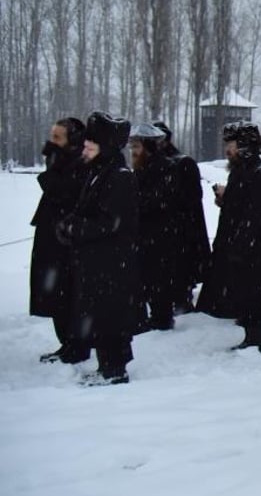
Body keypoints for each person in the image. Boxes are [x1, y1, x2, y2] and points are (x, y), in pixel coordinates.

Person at [56, 112, 139, 385]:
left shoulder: (119, 176)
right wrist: (70, 224)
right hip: (97, 261)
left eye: (91, 146)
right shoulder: (99, 172)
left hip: (112, 262)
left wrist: (76, 228)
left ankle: (114, 370)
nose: (85, 150)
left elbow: (110, 222)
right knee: (99, 314)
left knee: (110, 316)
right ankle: (107, 365)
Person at [197, 122, 261, 352]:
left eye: (231, 145)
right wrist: (226, 199)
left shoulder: (259, 173)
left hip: (253, 248)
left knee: (255, 294)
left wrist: (240, 243)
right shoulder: (242, 170)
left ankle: (257, 339)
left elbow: (255, 214)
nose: (227, 151)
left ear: (243, 146)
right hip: (240, 245)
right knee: (245, 292)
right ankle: (250, 335)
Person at [29, 116, 89, 364]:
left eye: (57, 138)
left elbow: (63, 190)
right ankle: (67, 343)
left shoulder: (80, 163)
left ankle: (76, 345)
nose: (51, 142)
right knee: (55, 294)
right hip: (52, 235)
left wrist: (53, 167)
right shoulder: (61, 160)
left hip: (67, 240)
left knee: (67, 294)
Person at [154, 121, 210, 314]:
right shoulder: (157, 163)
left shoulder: (181, 162)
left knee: (181, 272)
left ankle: (182, 301)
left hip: (183, 230)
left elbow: (192, 198)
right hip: (170, 230)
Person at [129, 123, 177, 331]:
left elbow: (158, 199)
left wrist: (134, 202)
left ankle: (162, 317)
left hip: (159, 233)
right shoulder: (143, 168)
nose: (133, 152)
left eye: (137, 147)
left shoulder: (164, 167)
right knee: (148, 275)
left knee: (159, 277)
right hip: (146, 232)